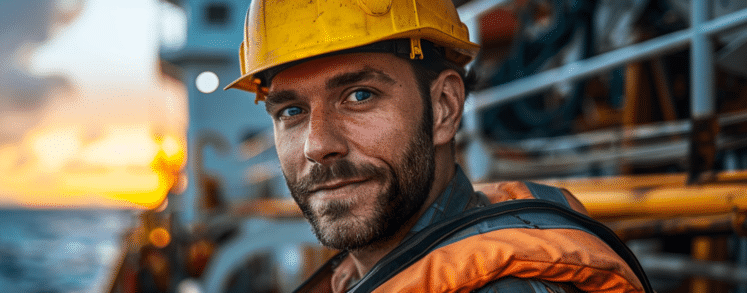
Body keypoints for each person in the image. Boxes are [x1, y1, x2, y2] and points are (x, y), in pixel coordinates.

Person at [223, 0, 652, 292]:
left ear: (444, 107)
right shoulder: (360, 274)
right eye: (291, 112)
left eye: (359, 95)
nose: (317, 146)